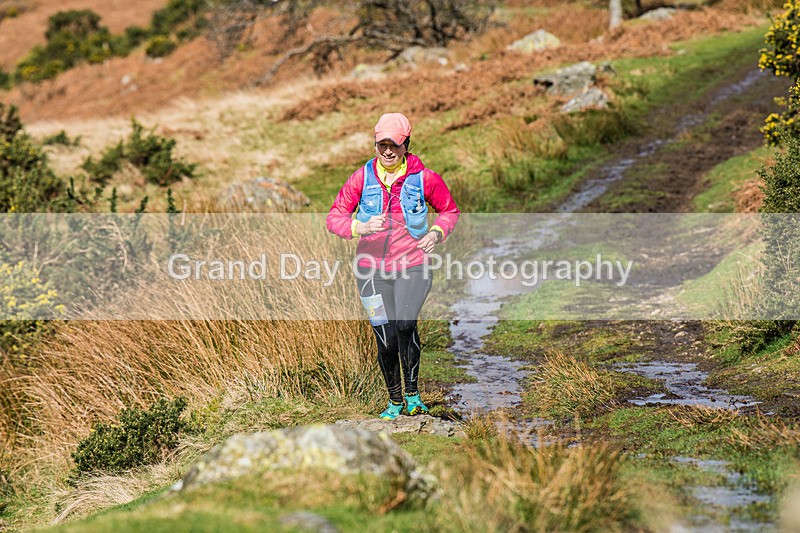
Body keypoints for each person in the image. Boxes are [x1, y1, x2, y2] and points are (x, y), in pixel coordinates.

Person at [326, 112, 460, 420]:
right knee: (384, 337)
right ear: (375, 144)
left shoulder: (424, 178)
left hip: (413, 265)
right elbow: (334, 217)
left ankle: (413, 396)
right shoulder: (361, 178)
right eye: (382, 144)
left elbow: (449, 211)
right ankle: (394, 401)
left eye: (394, 145)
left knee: (404, 324)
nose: (388, 151)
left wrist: (436, 233)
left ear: (406, 145)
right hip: (370, 270)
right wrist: (360, 226)